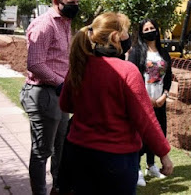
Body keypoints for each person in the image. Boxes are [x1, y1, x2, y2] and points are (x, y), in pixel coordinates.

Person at [59, 12, 173, 194]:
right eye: (127, 32)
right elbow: (145, 118)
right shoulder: (127, 70)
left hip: (78, 153)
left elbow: (65, 105)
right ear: (115, 37)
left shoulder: (79, 66)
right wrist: (164, 154)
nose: (129, 38)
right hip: (115, 159)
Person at [20, 0, 79, 195]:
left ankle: (59, 188)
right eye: (71, 3)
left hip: (59, 94)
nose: (75, 6)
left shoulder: (65, 23)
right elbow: (35, 64)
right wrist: (60, 82)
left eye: (77, 2)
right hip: (43, 94)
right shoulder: (44, 25)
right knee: (42, 151)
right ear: (56, 2)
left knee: (61, 146)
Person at [129, 18, 172, 186]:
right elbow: (132, 77)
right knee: (141, 134)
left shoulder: (163, 52)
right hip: (142, 101)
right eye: (145, 29)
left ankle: (151, 165)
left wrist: (164, 95)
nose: (149, 31)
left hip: (160, 101)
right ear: (141, 32)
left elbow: (168, 76)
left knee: (158, 131)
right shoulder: (136, 52)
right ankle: (137, 169)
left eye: (152, 28)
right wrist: (146, 98)